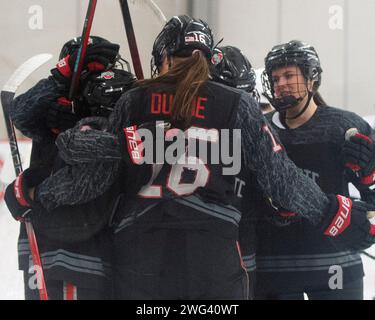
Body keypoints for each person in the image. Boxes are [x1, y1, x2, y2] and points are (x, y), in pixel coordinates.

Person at [6, 17, 375, 300]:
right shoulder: (237, 103)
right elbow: (281, 179)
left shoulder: (134, 100)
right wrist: (332, 213)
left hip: (141, 255)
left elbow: (97, 180)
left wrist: (36, 195)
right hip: (215, 256)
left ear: (161, 56)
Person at [4, 36, 135, 300]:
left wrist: (34, 193)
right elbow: (18, 114)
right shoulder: (50, 109)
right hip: (47, 244)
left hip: (85, 247)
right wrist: (60, 77)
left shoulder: (112, 114)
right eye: (86, 68)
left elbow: (89, 176)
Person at [254, 40, 375, 300]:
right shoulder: (261, 129)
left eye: (288, 75)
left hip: (337, 268)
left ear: (311, 79)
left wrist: (369, 177)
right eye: (275, 79)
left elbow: (372, 199)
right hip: (275, 272)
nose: (281, 84)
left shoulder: (346, 126)